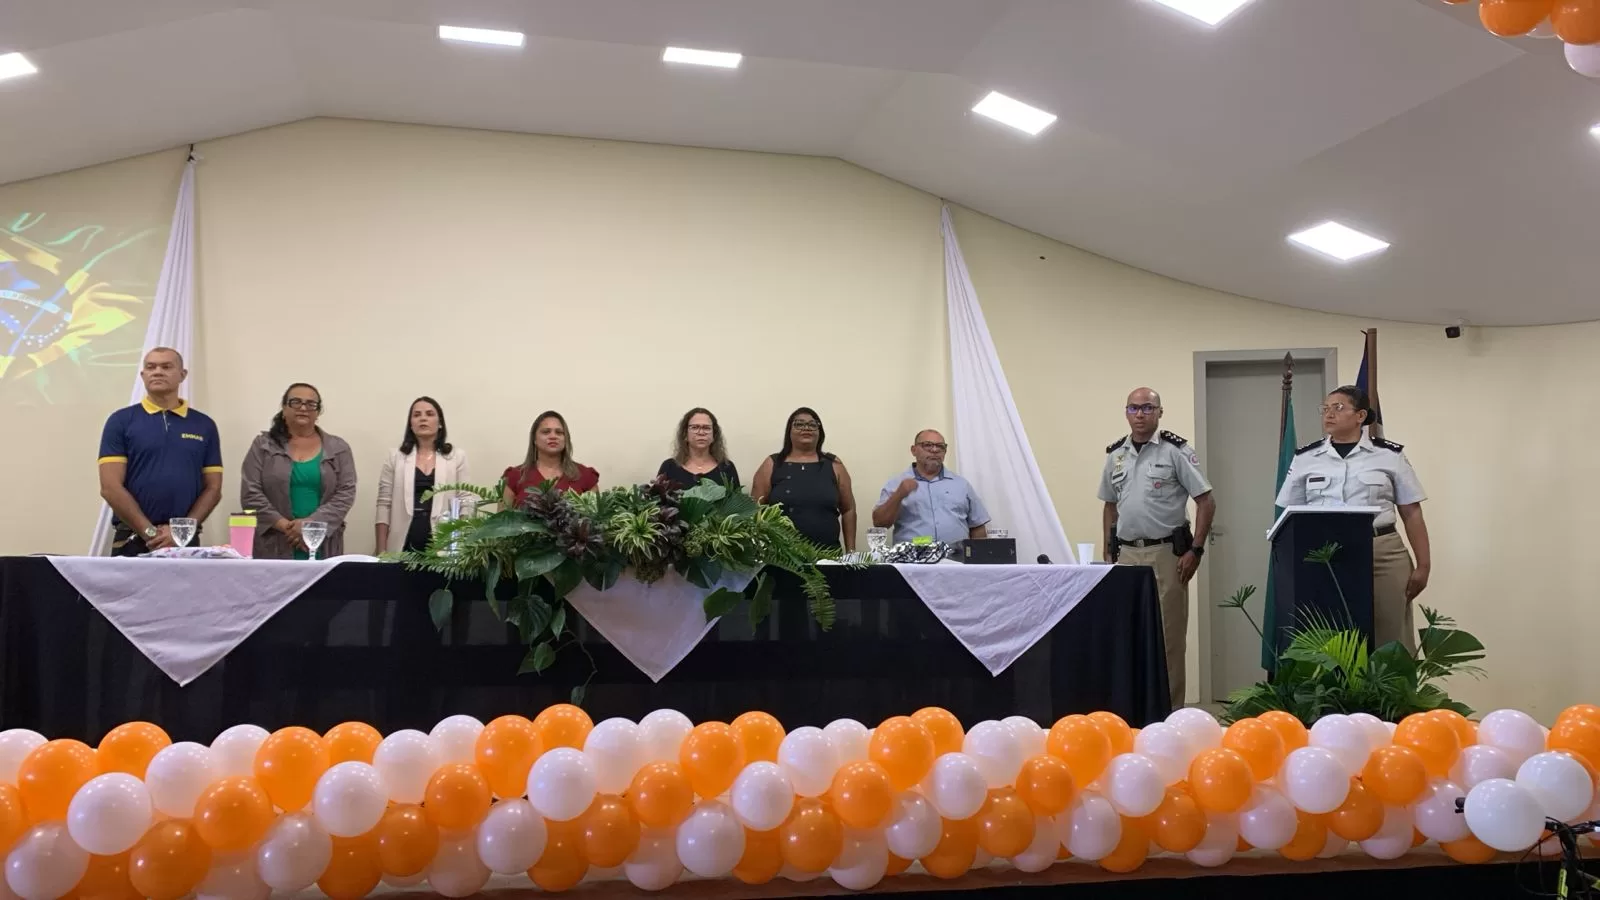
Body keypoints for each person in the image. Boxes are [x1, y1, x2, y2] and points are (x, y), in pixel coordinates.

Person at [1275, 384, 1430, 652]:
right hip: (1325, 554)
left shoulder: (1389, 456)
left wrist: (1423, 565)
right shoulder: (1306, 458)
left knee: (1390, 633)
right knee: (1330, 635)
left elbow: (1411, 512)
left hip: (1380, 551)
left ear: (1360, 416)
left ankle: (1390, 682)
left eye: (1338, 408)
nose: (1329, 414)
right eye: (1325, 408)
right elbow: (1290, 513)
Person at [1099, 387, 1216, 710]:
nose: (1140, 414)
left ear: (1160, 412)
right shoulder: (1116, 455)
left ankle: (1169, 714)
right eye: (1134, 408)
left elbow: (1206, 501)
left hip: (1166, 555)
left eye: (1148, 408)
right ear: (1126, 412)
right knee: (1129, 636)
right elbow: (1110, 506)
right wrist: (1108, 552)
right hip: (1126, 556)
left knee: (1168, 639)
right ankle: (1134, 711)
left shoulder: (1176, 452)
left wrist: (1196, 550)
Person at [96, 348, 224, 556]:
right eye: (151, 367)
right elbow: (110, 488)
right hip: (132, 539)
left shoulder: (204, 425)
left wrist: (180, 532)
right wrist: (150, 533)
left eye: (166, 367)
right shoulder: (120, 421)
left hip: (184, 539)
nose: (157, 372)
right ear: (142, 375)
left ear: (182, 375)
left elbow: (213, 488)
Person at [240, 383, 359, 559]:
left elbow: (345, 493)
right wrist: (286, 527)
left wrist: (310, 526)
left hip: (322, 543)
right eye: (296, 402)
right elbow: (250, 493)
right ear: (284, 408)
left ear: (318, 412)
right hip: (274, 542)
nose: (303, 408)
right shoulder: (263, 445)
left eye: (311, 404)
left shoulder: (338, 448)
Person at [375, 397, 472, 554]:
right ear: (410, 424)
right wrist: (381, 550)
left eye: (429, 414)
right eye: (417, 415)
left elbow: (465, 502)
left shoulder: (457, 457)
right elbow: (384, 504)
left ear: (440, 423)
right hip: (402, 543)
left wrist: (461, 546)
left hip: (443, 544)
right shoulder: (395, 457)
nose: (423, 418)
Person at [752, 407, 856, 551]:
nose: (806, 428)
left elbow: (849, 509)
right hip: (781, 556)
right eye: (799, 424)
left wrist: (851, 552)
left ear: (820, 432)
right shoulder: (772, 464)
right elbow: (754, 510)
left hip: (828, 555)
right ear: (789, 431)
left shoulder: (834, 464)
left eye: (812, 425)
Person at [871, 429, 991, 543]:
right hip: (912, 556)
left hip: (956, 556)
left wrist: (979, 555)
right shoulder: (896, 484)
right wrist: (899, 495)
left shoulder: (961, 485)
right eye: (927, 445)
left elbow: (977, 526)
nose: (934, 450)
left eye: (940, 446)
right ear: (913, 450)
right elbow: (879, 523)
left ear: (945, 452)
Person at [502, 411, 599, 506]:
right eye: (546, 432)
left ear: (566, 439)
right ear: (534, 439)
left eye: (559, 432)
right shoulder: (515, 476)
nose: (553, 436)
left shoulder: (586, 476)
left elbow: (597, 515)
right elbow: (501, 516)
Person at [657, 408, 739, 490]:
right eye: (695, 427)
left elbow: (737, 498)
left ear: (714, 434)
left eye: (706, 428)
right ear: (685, 434)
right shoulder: (669, 467)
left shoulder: (727, 468)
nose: (701, 432)